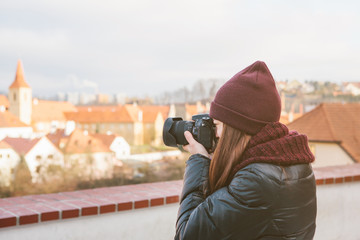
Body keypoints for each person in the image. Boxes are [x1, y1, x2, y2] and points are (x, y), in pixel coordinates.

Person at [175, 61, 317, 240]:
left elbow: (187, 234)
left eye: (218, 125)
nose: (216, 134)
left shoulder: (255, 180)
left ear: (237, 127)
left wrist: (199, 160)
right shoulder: (293, 164)